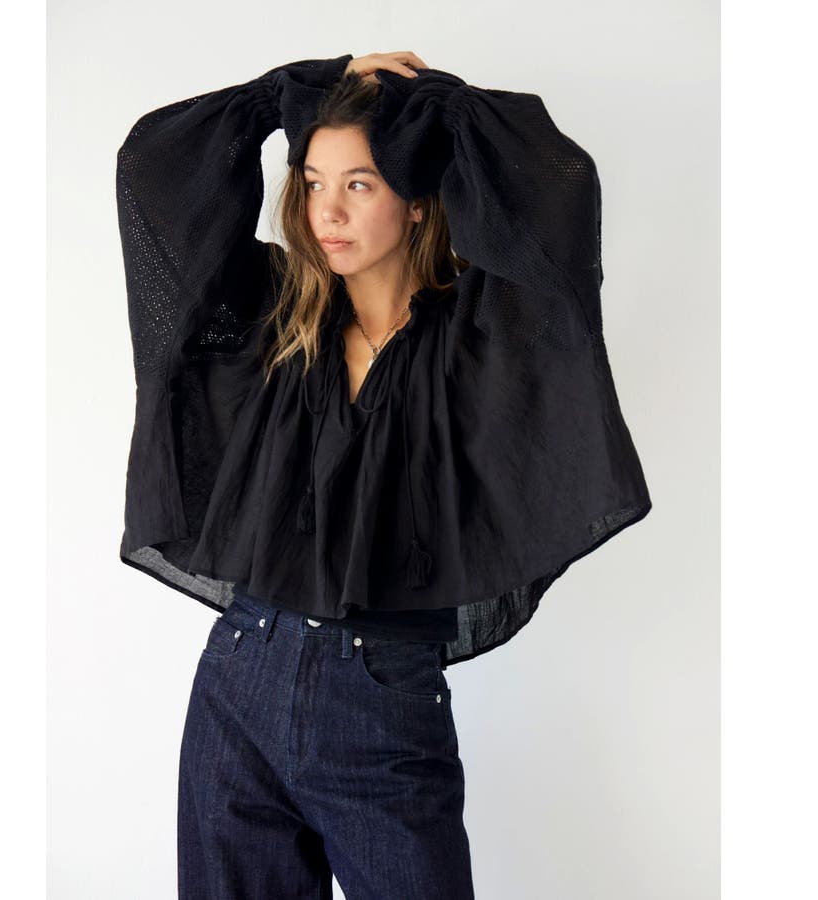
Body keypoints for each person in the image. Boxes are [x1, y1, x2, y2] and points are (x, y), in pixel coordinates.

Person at [115, 50, 652, 899]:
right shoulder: (271, 319)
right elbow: (151, 171)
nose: (327, 210)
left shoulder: (478, 341)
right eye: (313, 182)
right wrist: (291, 89)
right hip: (238, 684)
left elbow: (561, 190)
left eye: (360, 184)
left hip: (384, 703)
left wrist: (438, 107)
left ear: (417, 197)